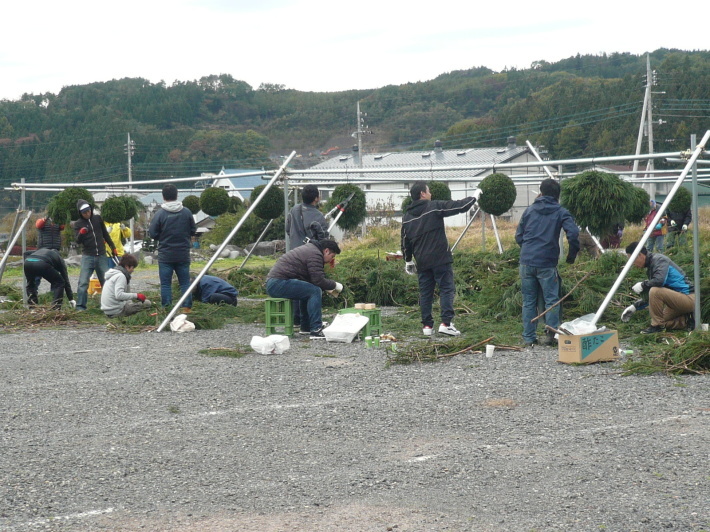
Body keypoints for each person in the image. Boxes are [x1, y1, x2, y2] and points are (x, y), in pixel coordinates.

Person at [401, 181, 481, 337]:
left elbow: (405, 241)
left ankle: (427, 326)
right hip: (440, 258)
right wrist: (474, 197)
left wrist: (408, 260)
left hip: (422, 262)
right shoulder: (433, 206)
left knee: (426, 294)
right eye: (428, 191)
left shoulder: (407, 217)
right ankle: (446, 323)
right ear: (422, 194)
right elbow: (459, 207)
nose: (431, 194)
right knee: (446, 289)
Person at [515, 178, 580, 347]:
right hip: (546, 262)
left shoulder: (529, 210)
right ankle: (551, 335)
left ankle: (528, 338)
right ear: (558, 195)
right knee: (551, 299)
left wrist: (528, 249)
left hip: (526, 261)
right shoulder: (560, 212)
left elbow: (518, 236)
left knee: (529, 300)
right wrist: (571, 256)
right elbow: (573, 234)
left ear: (541, 192)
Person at [265, 239, 343, 339]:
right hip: (278, 283)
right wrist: (335, 285)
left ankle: (306, 327)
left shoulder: (311, 250)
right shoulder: (315, 254)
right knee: (314, 291)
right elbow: (318, 280)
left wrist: (326, 286)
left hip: (275, 282)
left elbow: (311, 280)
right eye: (332, 257)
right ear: (326, 251)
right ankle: (316, 329)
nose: (330, 261)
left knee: (308, 290)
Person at [621, 242, 695, 333]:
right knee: (662, 320)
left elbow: (659, 282)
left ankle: (656, 327)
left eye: (632, 260)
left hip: (689, 298)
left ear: (640, 255)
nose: (632, 263)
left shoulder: (659, 260)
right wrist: (634, 307)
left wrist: (643, 285)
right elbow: (652, 296)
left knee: (655, 291)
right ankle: (687, 321)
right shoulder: (651, 266)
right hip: (676, 302)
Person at [285, 185, 329, 328]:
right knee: (310, 288)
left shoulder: (293, 210)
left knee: (295, 286)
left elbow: (287, 229)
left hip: (292, 255)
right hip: (308, 256)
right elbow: (324, 239)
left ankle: (296, 319)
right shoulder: (318, 216)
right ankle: (309, 322)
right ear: (317, 198)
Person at [149, 184, 196, 312]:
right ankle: (186, 307)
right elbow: (193, 230)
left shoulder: (160, 214)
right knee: (185, 283)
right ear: (177, 195)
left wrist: (162, 236)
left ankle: (167, 309)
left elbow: (152, 233)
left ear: (163, 196)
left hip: (166, 255)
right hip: (183, 253)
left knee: (165, 284)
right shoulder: (186, 212)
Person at [74, 200, 117, 311]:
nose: (87, 214)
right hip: (88, 256)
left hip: (101, 255)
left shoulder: (97, 219)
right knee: (83, 282)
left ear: (91, 209)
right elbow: (77, 241)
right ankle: (80, 307)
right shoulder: (78, 224)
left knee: (106, 281)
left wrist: (113, 247)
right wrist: (81, 233)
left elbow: (105, 234)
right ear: (80, 213)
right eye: (84, 212)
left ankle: (109, 305)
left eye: (88, 211)